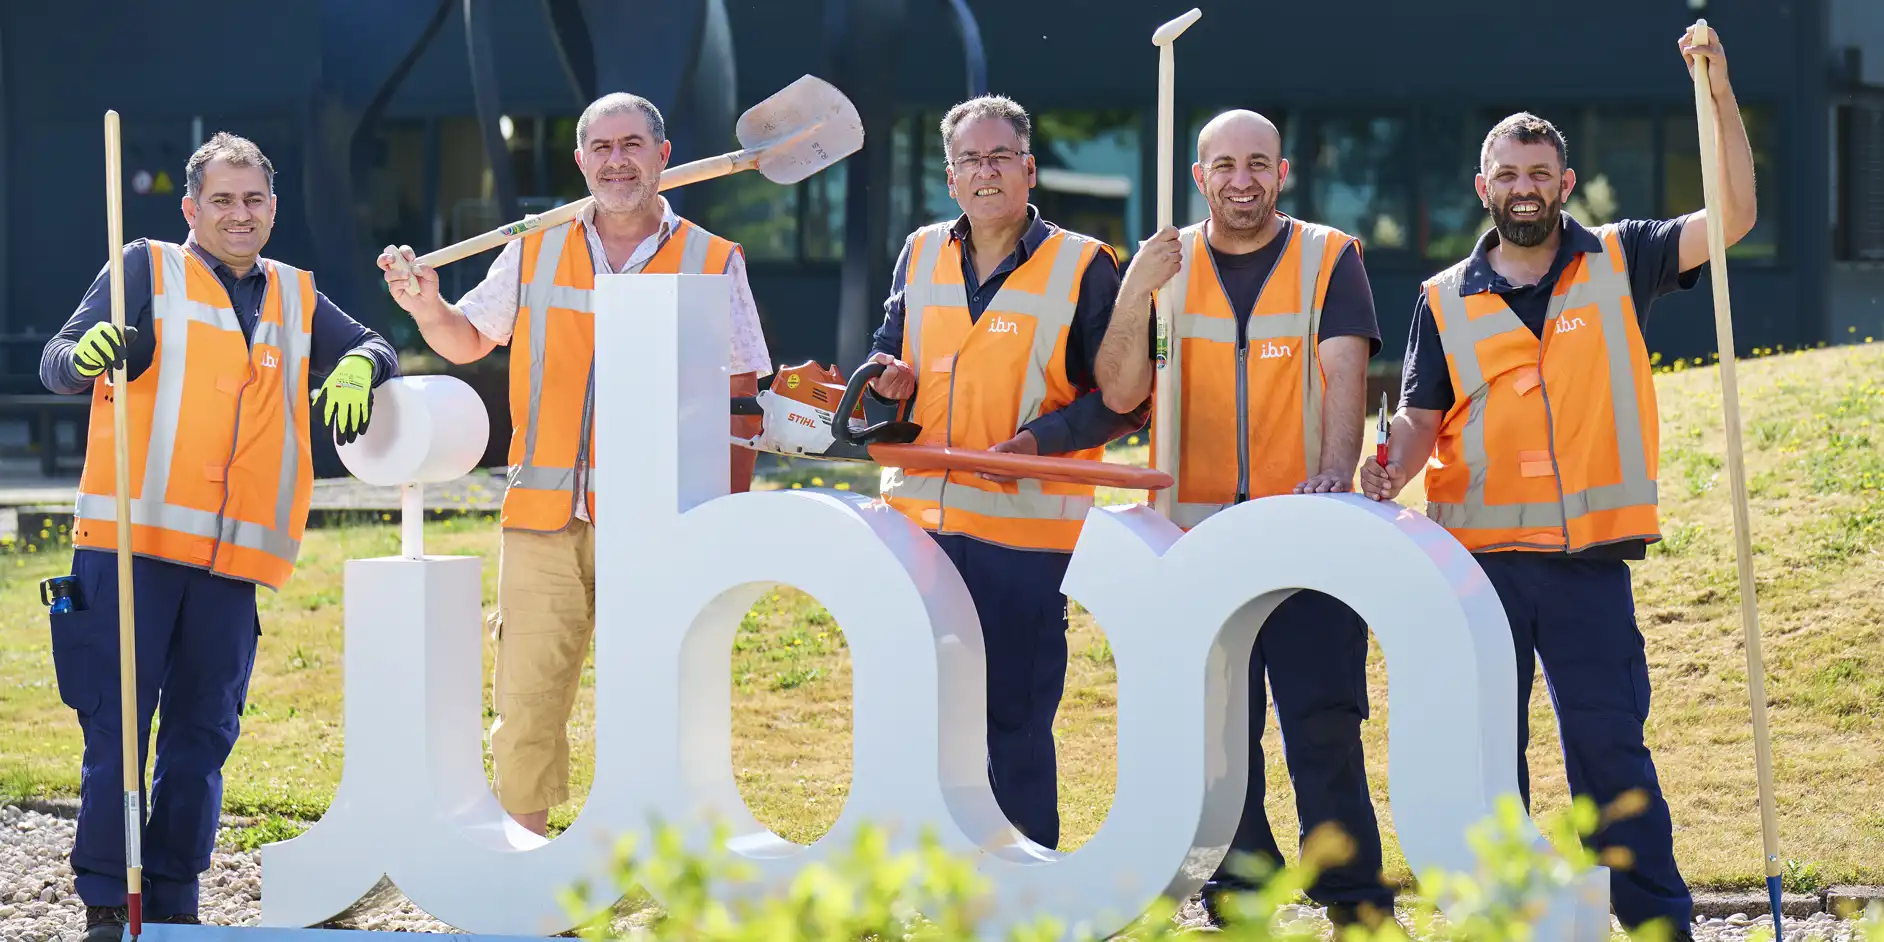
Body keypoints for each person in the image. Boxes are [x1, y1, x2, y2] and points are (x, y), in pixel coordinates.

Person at [1359, 29, 1757, 940]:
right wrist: (1387, 470)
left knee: (1611, 760)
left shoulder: (1625, 259)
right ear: (1483, 187)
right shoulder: (1441, 295)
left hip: (1587, 567)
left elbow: (1731, 220)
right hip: (1481, 569)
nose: (1523, 187)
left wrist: (1720, 95)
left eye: (1539, 173)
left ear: (1564, 185)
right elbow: (1421, 416)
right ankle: (1507, 924)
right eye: (1507, 174)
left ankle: (1657, 926)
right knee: (1488, 766)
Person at [377, 92, 770, 837]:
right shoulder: (534, 244)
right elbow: (467, 340)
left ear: (663, 156)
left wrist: (726, 518)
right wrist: (426, 308)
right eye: (602, 148)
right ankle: (524, 875)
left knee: (655, 707)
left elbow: (742, 392)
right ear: (581, 160)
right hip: (542, 521)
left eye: (632, 145)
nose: (616, 161)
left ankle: (651, 873)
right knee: (523, 705)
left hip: (658, 525)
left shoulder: (715, 259)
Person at [39, 131, 399, 940]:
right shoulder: (145, 267)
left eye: (254, 199)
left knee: (202, 737)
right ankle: (107, 901)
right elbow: (58, 361)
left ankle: (173, 897)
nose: (240, 214)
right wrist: (84, 354)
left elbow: (377, 344)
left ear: (273, 208)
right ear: (191, 208)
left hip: (232, 562)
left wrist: (360, 365)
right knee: (117, 736)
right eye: (223, 200)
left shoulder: (298, 295)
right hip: (129, 550)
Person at [1092, 110, 1395, 929]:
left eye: (1258, 164)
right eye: (1224, 165)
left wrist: (1334, 472)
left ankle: (1354, 901)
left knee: (1324, 726)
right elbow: (1118, 392)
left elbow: (1344, 379)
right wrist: (1134, 288)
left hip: (1304, 537)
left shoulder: (1330, 257)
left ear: (1282, 172)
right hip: (1195, 542)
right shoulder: (1163, 266)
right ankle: (1238, 891)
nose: (1242, 180)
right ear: (1200, 178)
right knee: (1222, 740)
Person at [865, 94, 1143, 851]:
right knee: (921, 713)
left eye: (999, 158)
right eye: (969, 161)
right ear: (950, 178)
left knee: (1013, 721)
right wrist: (885, 378)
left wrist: (1040, 442)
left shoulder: (1085, 264)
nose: (984, 173)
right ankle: (936, 879)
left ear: (1028, 169)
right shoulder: (920, 251)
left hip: (1024, 537)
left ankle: (1028, 896)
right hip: (916, 528)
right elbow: (891, 350)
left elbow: (1124, 401)